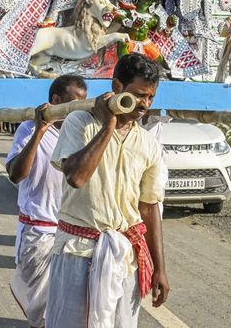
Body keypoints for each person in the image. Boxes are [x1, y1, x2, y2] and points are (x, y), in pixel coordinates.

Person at [46, 53, 171, 328]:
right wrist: (107, 124)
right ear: (116, 87)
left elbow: (149, 207)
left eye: (151, 97)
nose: (144, 105)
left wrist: (160, 268)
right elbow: (76, 177)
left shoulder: (148, 143)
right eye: (139, 95)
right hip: (77, 251)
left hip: (125, 256)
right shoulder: (80, 122)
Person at [5, 75, 88, 328]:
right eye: (74, 103)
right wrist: (40, 131)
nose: (78, 110)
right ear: (55, 101)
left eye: (83, 104)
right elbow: (16, 175)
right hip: (38, 232)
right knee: (39, 314)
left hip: (72, 234)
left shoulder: (82, 132)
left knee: (67, 309)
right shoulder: (28, 130)